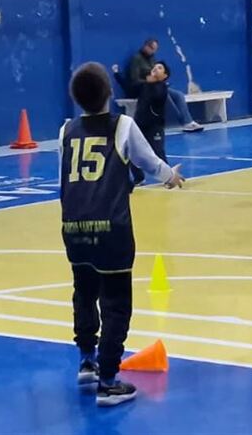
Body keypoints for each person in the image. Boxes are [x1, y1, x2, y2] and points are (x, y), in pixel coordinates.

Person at [60, 62, 184, 407]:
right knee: (116, 304)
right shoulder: (122, 125)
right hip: (111, 227)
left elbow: (68, 180)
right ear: (110, 94)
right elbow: (148, 161)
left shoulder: (66, 131)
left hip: (73, 226)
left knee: (83, 292)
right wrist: (170, 177)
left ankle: (87, 361)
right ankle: (109, 380)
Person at [113, 38, 204, 133]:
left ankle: (188, 122)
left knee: (178, 95)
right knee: (164, 95)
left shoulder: (152, 59)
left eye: (155, 49)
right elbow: (134, 80)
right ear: (146, 46)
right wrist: (149, 80)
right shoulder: (136, 59)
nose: (153, 51)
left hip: (155, 86)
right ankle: (179, 121)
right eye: (152, 48)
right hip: (141, 89)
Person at [130, 61, 170, 185]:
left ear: (165, 75)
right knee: (132, 150)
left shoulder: (162, 87)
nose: (155, 69)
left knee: (158, 151)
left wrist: (152, 83)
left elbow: (157, 97)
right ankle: (139, 177)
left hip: (154, 126)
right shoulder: (145, 85)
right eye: (154, 67)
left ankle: (168, 176)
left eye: (160, 68)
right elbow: (131, 87)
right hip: (139, 124)